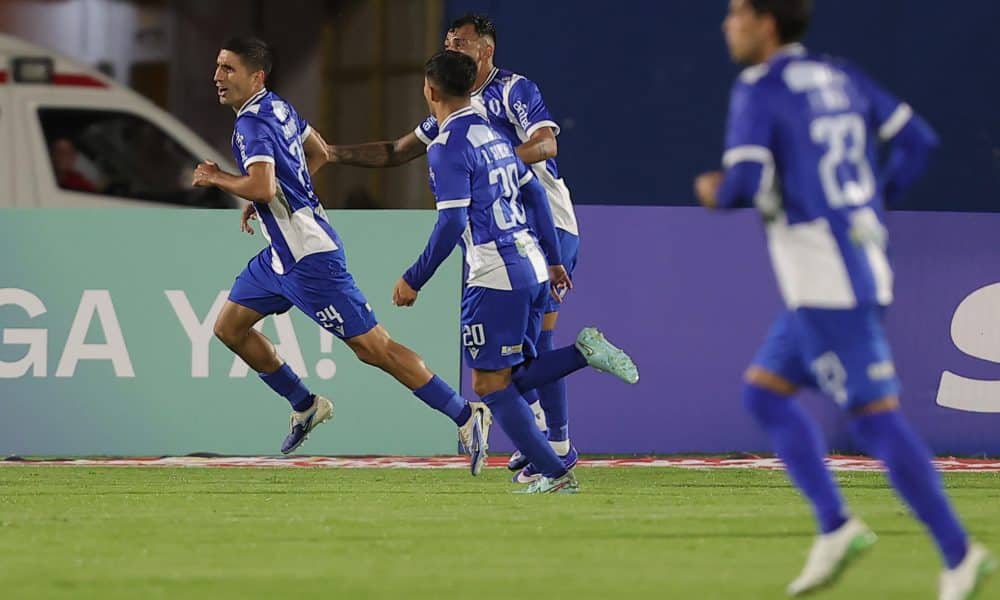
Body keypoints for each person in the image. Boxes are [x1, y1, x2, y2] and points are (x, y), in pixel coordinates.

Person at [694, 1, 996, 598]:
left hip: (828, 283)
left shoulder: (760, 88)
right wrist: (872, 202)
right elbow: (918, 140)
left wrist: (711, 190)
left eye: (736, 12)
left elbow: (744, 186)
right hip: (849, 266)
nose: (727, 24)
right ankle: (835, 526)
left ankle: (960, 554)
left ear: (766, 22)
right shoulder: (840, 76)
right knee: (764, 393)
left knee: (875, 421)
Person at [191, 36, 488, 473]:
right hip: (280, 255)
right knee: (229, 327)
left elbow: (263, 184)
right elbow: (320, 151)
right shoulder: (278, 107)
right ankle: (305, 404)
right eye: (217, 66)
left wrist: (221, 178)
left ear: (256, 76)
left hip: (310, 259)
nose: (218, 77)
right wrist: (273, 198)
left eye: (228, 69)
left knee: (374, 349)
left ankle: (466, 414)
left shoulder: (250, 125)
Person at [327, 14, 582, 484]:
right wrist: (333, 154)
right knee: (517, 358)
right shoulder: (456, 112)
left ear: (485, 51)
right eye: (447, 41)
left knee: (529, 348)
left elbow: (546, 145)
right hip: (513, 236)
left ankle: (557, 445)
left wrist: (488, 165)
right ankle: (548, 443)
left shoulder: (513, 91)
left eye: (460, 42)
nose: (452, 47)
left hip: (546, 226)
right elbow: (396, 150)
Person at [393, 50, 638, 494]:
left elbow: (451, 222)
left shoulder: (447, 146)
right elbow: (537, 196)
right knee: (515, 374)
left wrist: (415, 277)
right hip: (530, 263)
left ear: (430, 90)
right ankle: (578, 366)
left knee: (489, 383)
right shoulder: (493, 133)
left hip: (494, 273)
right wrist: (555, 258)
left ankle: (555, 469)